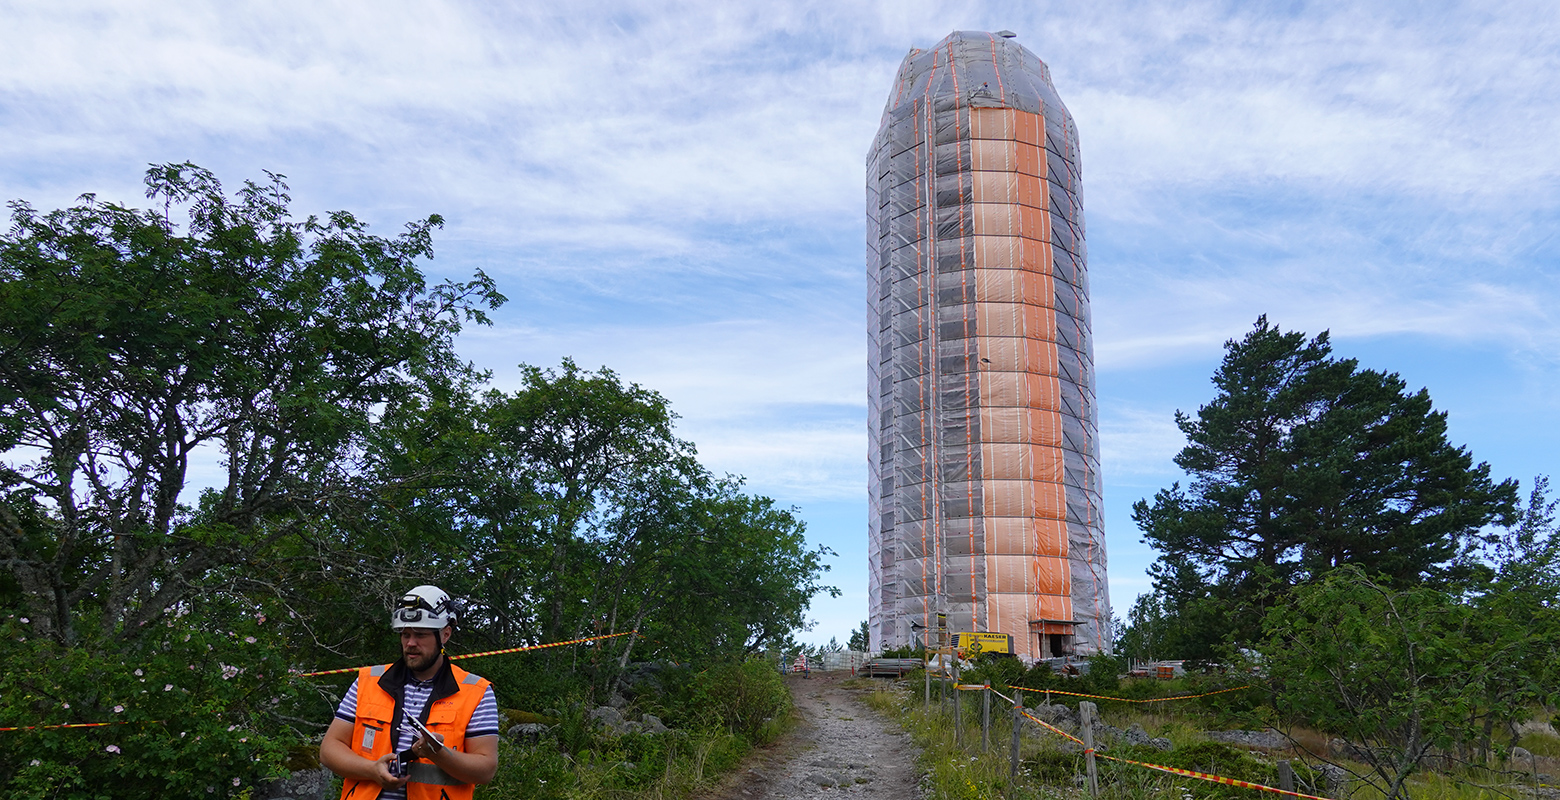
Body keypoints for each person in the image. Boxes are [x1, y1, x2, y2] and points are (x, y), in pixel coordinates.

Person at [320, 585, 500, 800]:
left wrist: (439, 754)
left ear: (445, 634)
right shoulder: (368, 681)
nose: (410, 643)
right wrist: (371, 770)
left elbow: (486, 769)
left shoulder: (476, 692)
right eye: (405, 634)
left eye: (421, 634)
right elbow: (330, 749)